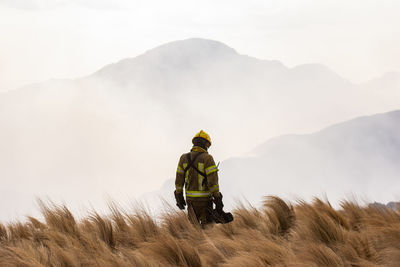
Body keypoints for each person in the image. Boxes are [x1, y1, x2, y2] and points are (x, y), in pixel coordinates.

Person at [174, 130, 224, 227]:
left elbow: (179, 180)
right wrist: (218, 199)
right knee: (208, 231)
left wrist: (179, 196)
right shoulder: (207, 158)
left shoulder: (183, 158)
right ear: (205, 144)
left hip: (190, 201)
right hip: (205, 202)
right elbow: (212, 183)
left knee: (194, 231)